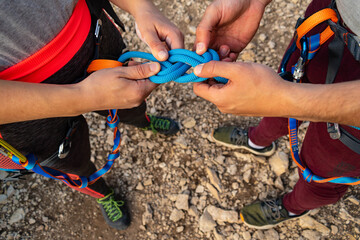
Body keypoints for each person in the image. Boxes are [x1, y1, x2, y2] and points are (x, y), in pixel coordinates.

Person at [0, 0, 184, 230]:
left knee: (132, 104)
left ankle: (143, 122)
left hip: (92, 39)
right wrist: (81, 97)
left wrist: (140, 7)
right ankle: (101, 193)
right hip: (18, 110)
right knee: (69, 163)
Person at [193, 0, 360, 229]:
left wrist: (286, 99)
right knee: (277, 101)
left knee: (324, 168)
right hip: (327, 21)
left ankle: (294, 207)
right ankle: (257, 142)